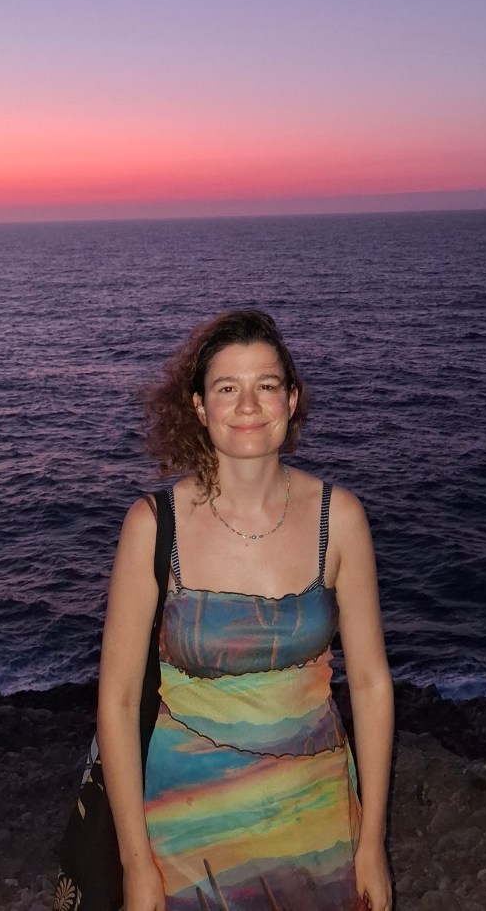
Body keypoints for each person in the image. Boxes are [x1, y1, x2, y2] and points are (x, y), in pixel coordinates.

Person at [97, 310, 393, 911]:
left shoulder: (340, 520)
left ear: (292, 400)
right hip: (185, 828)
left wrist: (372, 843)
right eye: (227, 388)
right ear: (200, 408)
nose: (249, 404)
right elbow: (120, 698)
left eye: (267, 385)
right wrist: (136, 864)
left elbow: (369, 682)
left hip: (317, 820)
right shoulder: (154, 528)